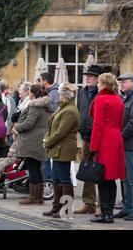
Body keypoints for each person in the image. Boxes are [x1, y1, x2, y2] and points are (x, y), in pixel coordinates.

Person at [87, 73, 125, 223]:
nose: (97, 84)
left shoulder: (101, 99)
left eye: (99, 82)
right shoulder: (118, 99)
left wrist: (93, 147)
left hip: (105, 142)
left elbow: (97, 126)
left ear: (104, 84)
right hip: (116, 139)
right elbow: (121, 123)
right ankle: (108, 214)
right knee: (111, 179)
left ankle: (105, 214)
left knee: (103, 179)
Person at [42, 83, 79, 218]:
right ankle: (56, 208)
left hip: (64, 148)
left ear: (65, 95)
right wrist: (47, 139)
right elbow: (52, 128)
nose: (59, 95)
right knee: (56, 179)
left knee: (64, 180)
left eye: (60, 93)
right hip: (57, 148)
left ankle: (67, 209)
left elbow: (60, 132)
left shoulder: (70, 110)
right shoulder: (62, 107)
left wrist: (47, 142)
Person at [12, 84, 52, 205]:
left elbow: (29, 123)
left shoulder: (35, 106)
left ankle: (34, 197)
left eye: (29, 92)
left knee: (33, 168)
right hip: (38, 140)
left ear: (32, 94)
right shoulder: (43, 106)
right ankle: (38, 197)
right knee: (37, 168)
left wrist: (16, 128)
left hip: (32, 142)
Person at [114, 72, 133, 221]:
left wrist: (121, 136)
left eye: (124, 82)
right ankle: (127, 208)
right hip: (124, 144)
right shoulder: (127, 98)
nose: (121, 84)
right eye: (121, 82)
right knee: (125, 178)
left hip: (130, 144)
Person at [74, 65, 102, 215]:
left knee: (100, 171)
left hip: (99, 138)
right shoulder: (82, 92)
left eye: (91, 75)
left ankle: (102, 205)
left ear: (98, 78)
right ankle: (89, 203)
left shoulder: (102, 94)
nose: (88, 77)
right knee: (87, 171)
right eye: (87, 75)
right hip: (85, 137)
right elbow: (79, 111)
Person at [39, 72, 60, 181]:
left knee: (47, 157)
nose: (39, 82)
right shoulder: (51, 92)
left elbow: (55, 113)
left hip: (52, 131)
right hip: (50, 130)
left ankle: (48, 181)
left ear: (45, 81)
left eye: (40, 80)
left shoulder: (54, 93)